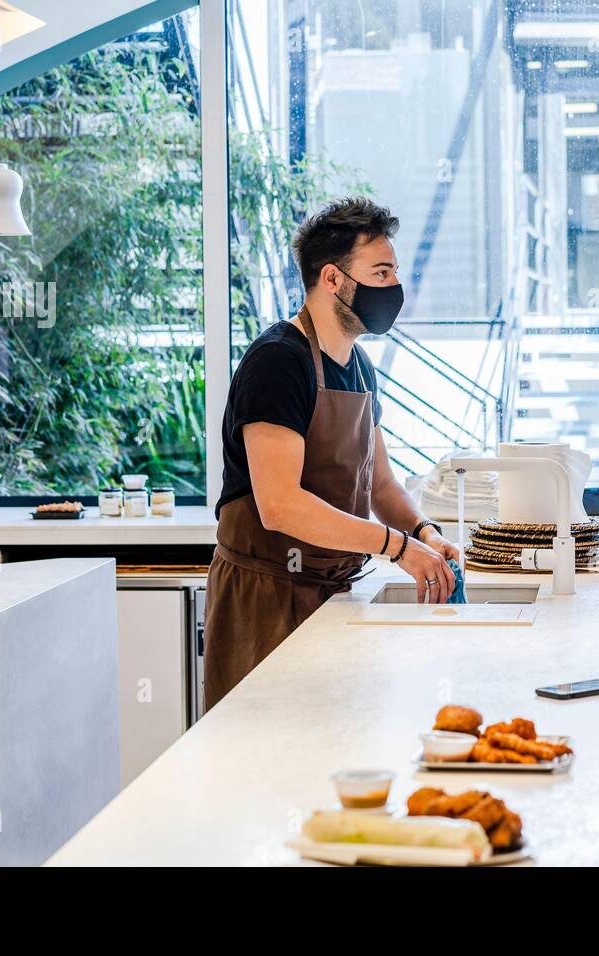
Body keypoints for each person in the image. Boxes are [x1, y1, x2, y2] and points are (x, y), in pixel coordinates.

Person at [203, 197, 459, 710]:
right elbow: (280, 505)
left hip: (334, 592)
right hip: (267, 598)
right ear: (333, 279)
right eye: (380, 272)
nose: (394, 288)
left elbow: (381, 486)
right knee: (264, 759)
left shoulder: (359, 366)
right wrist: (399, 548)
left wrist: (425, 532)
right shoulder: (278, 361)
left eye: (394, 273)